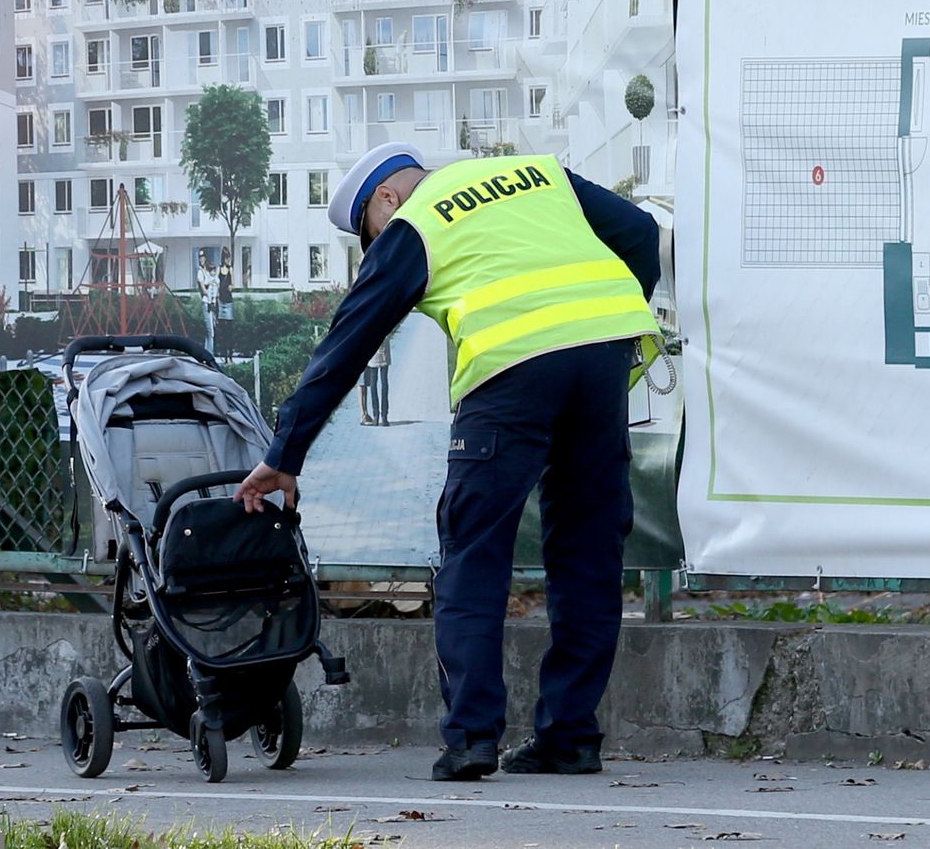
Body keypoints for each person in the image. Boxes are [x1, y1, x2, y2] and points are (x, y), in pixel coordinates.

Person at [234, 142, 661, 781]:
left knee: (474, 549)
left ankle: (471, 739)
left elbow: (348, 342)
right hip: (603, 355)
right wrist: (610, 321)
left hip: (510, 369)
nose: (377, 250)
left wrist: (284, 455)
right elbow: (641, 231)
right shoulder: (536, 172)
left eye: (369, 238)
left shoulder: (417, 221)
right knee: (588, 551)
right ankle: (570, 737)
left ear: (386, 198)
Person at [364, 337, 391, 426]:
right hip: (382, 346)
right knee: (383, 383)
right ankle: (384, 416)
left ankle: (376, 415)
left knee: (374, 384)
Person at [196, 251, 218, 354]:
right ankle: (210, 354)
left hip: (212, 303)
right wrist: (209, 283)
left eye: (203, 257)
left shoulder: (208, 272)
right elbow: (203, 289)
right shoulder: (200, 272)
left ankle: (206, 352)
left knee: (210, 330)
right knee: (210, 332)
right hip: (206, 303)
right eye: (200, 257)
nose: (201, 259)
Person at [217, 247, 235, 359]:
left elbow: (233, 284)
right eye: (226, 257)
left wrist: (231, 287)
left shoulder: (230, 269)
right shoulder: (219, 269)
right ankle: (223, 353)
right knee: (222, 329)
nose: (228, 260)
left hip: (228, 301)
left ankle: (230, 353)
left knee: (229, 329)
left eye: (229, 257)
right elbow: (217, 283)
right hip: (221, 301)